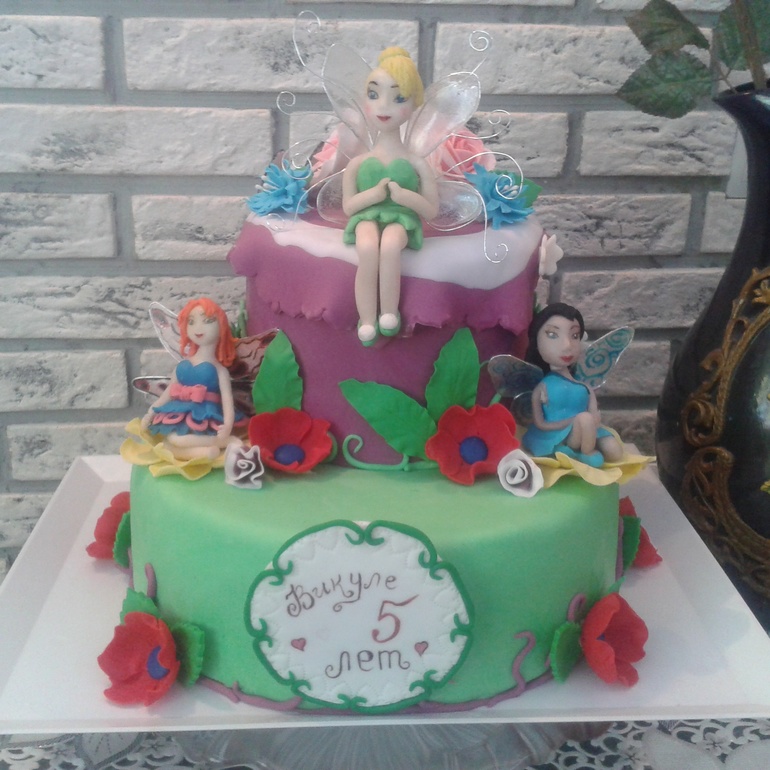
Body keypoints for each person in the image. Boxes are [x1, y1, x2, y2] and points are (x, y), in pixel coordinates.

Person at [341, 47, 440, 346]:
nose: (384, 106)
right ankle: (366, 319)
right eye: (374, 95)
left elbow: (431, 211)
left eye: (398, 98)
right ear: (364, 101)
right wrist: (373, 195)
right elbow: (349, 207)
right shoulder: (357, 163)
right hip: (366, 215)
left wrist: (404, 196)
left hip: (401, 218)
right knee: (367, 246)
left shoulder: (416, 163)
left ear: (414, 105)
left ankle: (389, 313)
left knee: (391, 245)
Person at [141, 298, 246, 460]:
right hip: (181, 411)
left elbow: (227, 401)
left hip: (206, 414)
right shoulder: (183, 365)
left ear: (222, 327)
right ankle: (208, 450)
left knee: (175, 440)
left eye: (208, 321)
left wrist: (227, 425)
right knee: (169, 439)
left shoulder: (220, 370)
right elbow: (169, 392)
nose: (198, 328)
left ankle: (225, 441)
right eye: (191, 322)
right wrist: (151, 411)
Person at [522, 303, 623, 467]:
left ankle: (580, 450)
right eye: (552, 335)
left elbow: (594, 416)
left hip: (587, 430)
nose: (567, 345)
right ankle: (586, 453)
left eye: (574, 336)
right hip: (556, 434)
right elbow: (540, 423)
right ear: (536, 342)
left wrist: (592, 421)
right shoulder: (542, 388)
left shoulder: (585, 387)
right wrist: (573, 421)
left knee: (614, 451)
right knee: (584, 419)